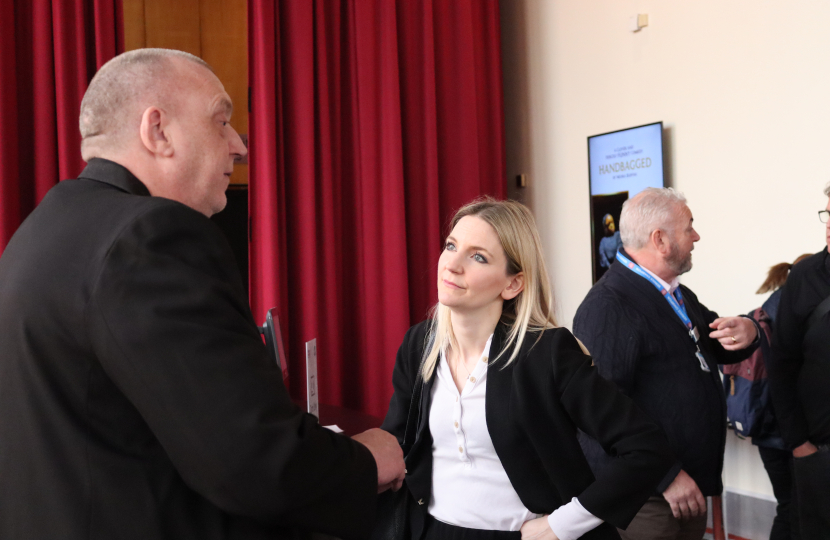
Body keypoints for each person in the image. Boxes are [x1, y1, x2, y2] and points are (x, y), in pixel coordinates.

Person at [0, 49, 405, 540]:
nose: (239, 145)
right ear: (158, 132)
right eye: (221, 120)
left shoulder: (43, 228)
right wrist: (365, 461)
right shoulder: (152, 237)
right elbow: (252, 464)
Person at [382, 198, 675, 540]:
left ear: (513, 284)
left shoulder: (547, 353)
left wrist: (562, 525)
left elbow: (645, 447)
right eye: (451, 246)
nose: (452, 265)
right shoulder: (420, 345)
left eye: (478, 256)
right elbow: (396, 444)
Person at [573, 187, 760, 540]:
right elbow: (601, 413)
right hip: (649, 494)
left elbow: (713, 346)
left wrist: (749, 331)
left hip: (683, 487)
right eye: (689, 227)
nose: (696, 236)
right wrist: (666, 475)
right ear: (660, 240)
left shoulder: (674, 292)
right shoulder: (608, 306)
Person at [722, 255, 810, 540]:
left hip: (764, 428)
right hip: (790, 431)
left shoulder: (759, 315)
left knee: (788, 506)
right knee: (800, 508)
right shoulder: (791, 317)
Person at [768, 184, 830, 537]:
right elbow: (782, 364)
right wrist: (798, 444)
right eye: (828, 213)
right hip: (818, 455)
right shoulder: (804, 277)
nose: (829, 224)